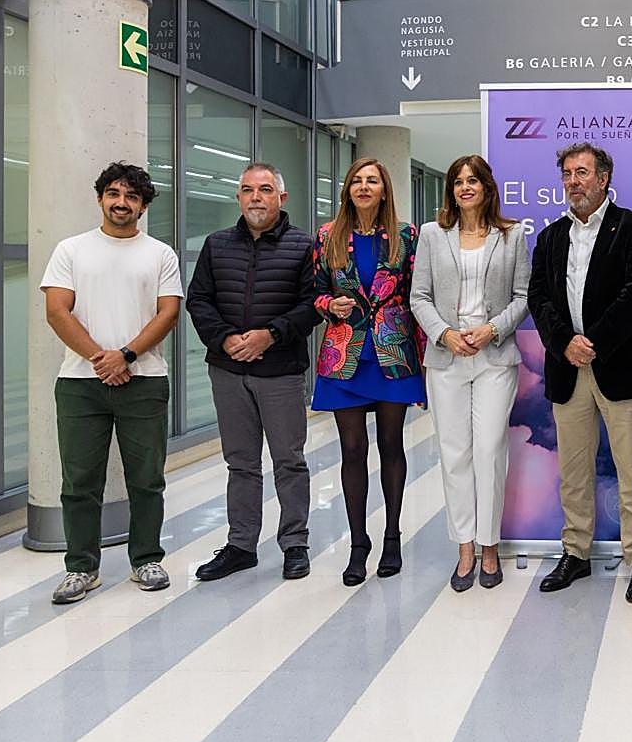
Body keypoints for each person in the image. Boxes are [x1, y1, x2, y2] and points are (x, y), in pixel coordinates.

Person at [41, 162, 184, 604]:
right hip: (80, 383)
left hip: (144, 381)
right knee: (79, 480)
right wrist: (101, 359)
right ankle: (81, 568)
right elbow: (57, 311)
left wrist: (124, 356)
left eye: (131, 197)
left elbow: (168, 313)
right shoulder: (71, 249)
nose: (122, 203)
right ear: (101, 197)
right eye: (114, 194)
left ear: (143, 206)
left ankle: (146, 559)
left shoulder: (160, 254)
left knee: (147, 478)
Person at [527, 143, 632, 604]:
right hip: (567, 368)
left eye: (582, 172)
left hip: (620, 365)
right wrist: (565, 342)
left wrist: (594, 343)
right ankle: (575, 552)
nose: (573, 181)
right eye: (567, 173)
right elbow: (538, 298)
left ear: (603, 178)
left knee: (631, 469)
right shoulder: (549, 237)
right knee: (574, 471)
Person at [186, 162, 321, 583]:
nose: (255, 197)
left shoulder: (304, 247)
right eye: (247, 190)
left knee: (289, 460)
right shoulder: (217, 244)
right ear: (239, 198)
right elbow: (199, 300)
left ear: (282, 198)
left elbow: (311, 305)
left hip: (280, 371)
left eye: (264, 190)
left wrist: (270, 335)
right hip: (228, 371)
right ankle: (241, 545)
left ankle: (294, 544)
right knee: (240, 462)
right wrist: (225, 338)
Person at [410, 155, 529, 592]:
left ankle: (490, 545)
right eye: (458, 181)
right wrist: (444, 335)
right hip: (447, 359)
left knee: (490, 450)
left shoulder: (511, 234)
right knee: (455, 452)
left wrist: (492, 328)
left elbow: (523, 295)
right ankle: (464, 547)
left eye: (472, 180)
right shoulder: (431, 235)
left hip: (494, 356)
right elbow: (418, 296)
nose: (464, 187)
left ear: (486, 186)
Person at [312, 157, 427, 587]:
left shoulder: (405, 236)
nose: (364, 187)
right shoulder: (328, 236)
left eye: (372, 181)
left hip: (392, 353)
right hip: (345, 356)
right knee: (352, 448)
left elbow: (420, 293)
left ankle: (392, 537)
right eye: (357, 181)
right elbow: (316, 291)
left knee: (391, 445)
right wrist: (329, 305)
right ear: (348, 189)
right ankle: (358, 544)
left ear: (384, 190)